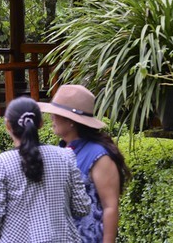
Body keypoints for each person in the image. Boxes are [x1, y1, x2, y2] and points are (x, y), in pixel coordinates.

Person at [0, 96, 90, 242]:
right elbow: (82, 207)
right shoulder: (65, 156)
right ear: (40, 123)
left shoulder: (1, 163)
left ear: (8, 125)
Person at [39, 85, 131, 243]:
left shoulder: (98, 155)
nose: (52, 118)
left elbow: (110, 206)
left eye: (57, 114)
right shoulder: (63, 150)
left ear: (72, 121)